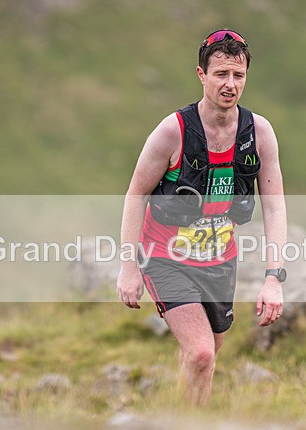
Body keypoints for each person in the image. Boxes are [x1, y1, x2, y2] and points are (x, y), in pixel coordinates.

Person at [117, 29, 287, 405]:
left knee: (204, 357)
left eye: (238, 75)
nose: (230, 84)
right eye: (221, 74)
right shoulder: (172, 131)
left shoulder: (259, 133)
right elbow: (136, 194)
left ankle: (184, 429)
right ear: (201, 74)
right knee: (201, 353)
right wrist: (129, 267)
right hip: (166, 259)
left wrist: (274, 278)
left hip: (220, 263)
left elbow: (275, 207)